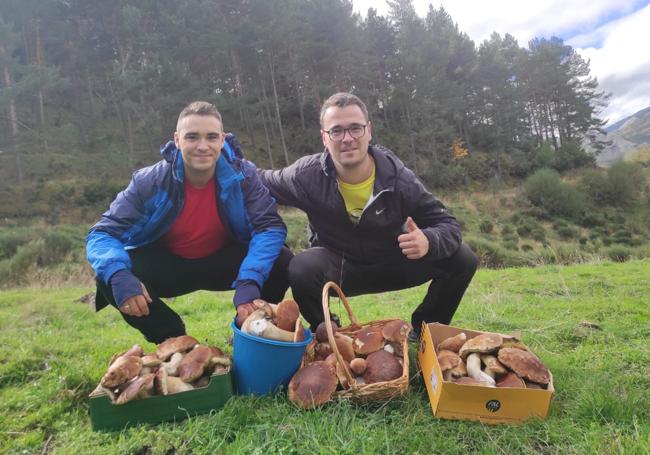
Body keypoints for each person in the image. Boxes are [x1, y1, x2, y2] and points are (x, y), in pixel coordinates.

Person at [259, 92, 478, 339]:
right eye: (337, 131)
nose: (347, 138)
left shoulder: (399, 179)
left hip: (393, 262)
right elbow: (259, 181)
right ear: (324, 137)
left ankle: (425, 330)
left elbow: (448, 225)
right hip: (339, 269)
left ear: (369, 130)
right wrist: (218, 156)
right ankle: (329, 333)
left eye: (355, 128)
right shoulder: (305, 176)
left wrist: (428, 240)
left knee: (463, 258)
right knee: (301, 266)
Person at [86, 101, 291, 343]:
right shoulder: (149, 181)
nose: (202, 146)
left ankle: (250, 333)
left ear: (222, 139)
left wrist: (249, 280)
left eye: (211, 137)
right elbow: (102, 234)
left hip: (225, 263)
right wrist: (118, 274)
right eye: (192, 137)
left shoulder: (244, 176)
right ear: (177, 139)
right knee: (109, 274)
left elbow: (269, 228)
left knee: (281, 260)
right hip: (170, 265)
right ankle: (175, 342)